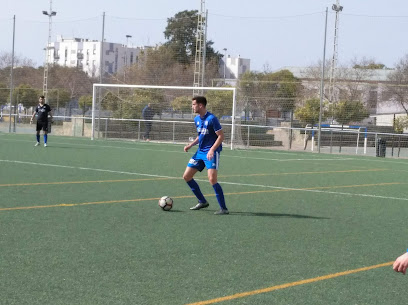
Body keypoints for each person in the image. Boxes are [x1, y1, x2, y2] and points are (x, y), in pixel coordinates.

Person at [183, 96, 229, 215]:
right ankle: (202, 201)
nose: (192, 107)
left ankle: (223, 208)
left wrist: (212, 150)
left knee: (212, 180)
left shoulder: (212, 118)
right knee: (187, 176)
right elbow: (201, 136)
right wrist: (191, 145)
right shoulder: (197, 119)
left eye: (194, 104)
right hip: (200, 152)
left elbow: (221, 136)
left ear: (200, 105)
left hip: (211, 152)